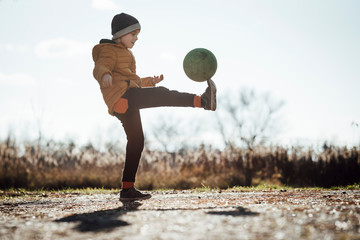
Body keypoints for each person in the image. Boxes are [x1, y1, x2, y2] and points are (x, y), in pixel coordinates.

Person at [92, 13, 216, 201]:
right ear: (120, 34)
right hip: (121, 97)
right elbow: (100, 66)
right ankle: (202, 101)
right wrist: (104, 76)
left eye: (137, 34)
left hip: (126, 100)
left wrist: (151, 81)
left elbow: (133, 81)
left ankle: (127, 189)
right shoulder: (108, 50)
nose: (136, 38)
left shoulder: (127, 54)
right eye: (133, 34)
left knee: (137, 141)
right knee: (163, 95)